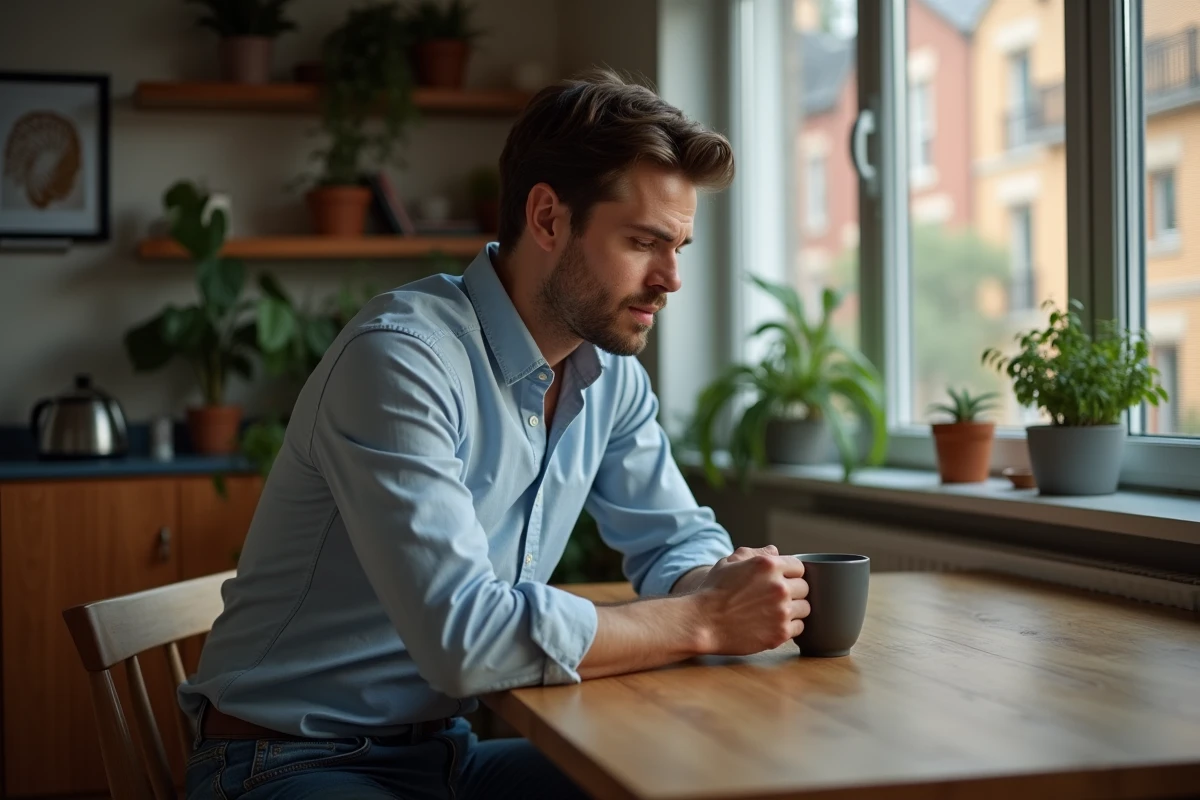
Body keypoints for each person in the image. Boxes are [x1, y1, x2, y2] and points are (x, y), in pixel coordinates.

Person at [179, 68, 811, 800]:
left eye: (679, 248)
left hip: (449, 756)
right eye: (644, 242)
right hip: (290, 759)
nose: (671, 278)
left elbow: (673, 539)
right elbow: (466, 640)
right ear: (548, 219)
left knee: (691, 781)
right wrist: (702, 619)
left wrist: (718, 583)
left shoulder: (609, 375)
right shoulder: (401, 361)